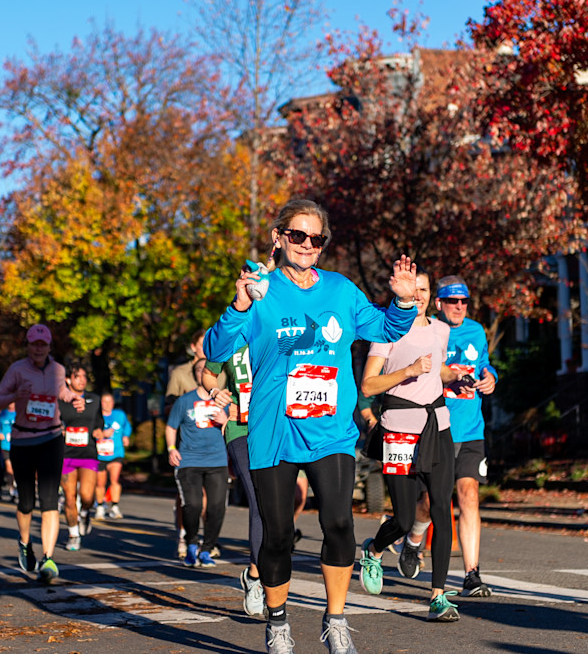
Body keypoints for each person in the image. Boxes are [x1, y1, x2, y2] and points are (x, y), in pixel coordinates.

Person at [204, 199, 418, 654]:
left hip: (330, 430)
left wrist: (402, 299)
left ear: (323, 245)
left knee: (339, 523)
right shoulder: (261, 290)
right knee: (278, 534)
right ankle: (278, 623)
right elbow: (216, 349)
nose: (306, 245)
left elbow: (385, 327)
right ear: (279, 237)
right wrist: (240, 304)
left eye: (315, 238)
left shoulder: (341, 291)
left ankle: (336, 621)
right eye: (297, 235)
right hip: (273, 430)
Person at [358, 267, 462, 621]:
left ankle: (438, 596)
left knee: (441, 511)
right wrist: (407, 371)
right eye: (413, 289)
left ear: (431, 295)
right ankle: (373, 550)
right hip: (398, 430)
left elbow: (437, 370)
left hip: (438, 426)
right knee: (403, 520)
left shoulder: (441, 329)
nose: (418, 295)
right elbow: (369, 387)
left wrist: (455, 377)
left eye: (423, 289)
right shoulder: (387, 331)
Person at [400, 275, 499, 598]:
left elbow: (483, 364)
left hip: (471, 429)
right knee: (431, 502)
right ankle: (414, 540)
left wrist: (490, 377)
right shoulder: (429, 332)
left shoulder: (476, 331)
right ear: (439, 303)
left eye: (464, 301)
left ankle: (472, 573)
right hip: (435, 429)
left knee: (469, 493)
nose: (459, 307)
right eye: (452, 301)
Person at [0, 324, 83, 583]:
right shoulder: (17, 369)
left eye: (43, 344)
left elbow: (61, 391)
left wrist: (71, 398)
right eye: (35, 344)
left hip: (51, 439)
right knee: (26, 503)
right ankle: (24, 542)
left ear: (49, 346)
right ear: (28, 346)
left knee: (50, 500)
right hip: (22, 440)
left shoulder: (58, 369)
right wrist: (13, 394)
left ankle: (48, 557)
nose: (39, 348)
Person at [203, 344, 267, 615]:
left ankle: (255, 573)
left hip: (275, 423)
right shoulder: (230, 333)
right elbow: (208, 373)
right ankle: (257, 579)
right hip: (240, 425)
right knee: (257, 498)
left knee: (279, 504)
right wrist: (216, 392)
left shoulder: (279, 325)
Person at [166, 359, 229, 568]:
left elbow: (236, 426)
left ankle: (207, 549)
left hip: (218, 460)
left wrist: (225, 419)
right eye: (199, 370)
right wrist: (171, 449)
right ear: (196, 375)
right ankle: (191, 543)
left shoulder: (225, 401)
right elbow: (171, 427)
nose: (204, 372)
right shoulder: (184, 401)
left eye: (207, 369)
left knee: (217, 507)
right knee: (192, 505)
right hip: (189, 461)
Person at [60, 363, 104, 551]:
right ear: (68, 379)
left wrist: (99, 430)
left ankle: (85, 513)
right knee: (69, 498)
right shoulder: (60, 401)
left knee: (87, 496)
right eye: (78, 376)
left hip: (88, 454)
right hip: (66, 455)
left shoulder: (94, 400)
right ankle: (73, 534)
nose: (82, 380)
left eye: (85, 376)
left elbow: (99, 421)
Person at [95, 392, 130, 519]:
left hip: (116, 452)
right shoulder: (96, 416)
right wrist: (102, 434)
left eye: (110, 401)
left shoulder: (119, 415)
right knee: (100, 482)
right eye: (104, 401)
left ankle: (115, 506)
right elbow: (92, 432)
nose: (107, 404)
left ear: (113, 403)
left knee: (115, 479)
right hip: (100, 454)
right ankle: (99, 507)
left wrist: (126, 436)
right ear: (101, 403)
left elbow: (127, 427)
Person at [0, 404, 17, 501]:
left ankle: (17, 484)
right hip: (6, 445)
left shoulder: (20, 411)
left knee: (18, 467)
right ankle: (12, 489)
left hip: (18, 444)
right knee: (8, 466)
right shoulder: (3, 414)